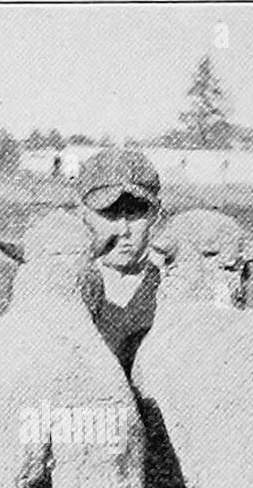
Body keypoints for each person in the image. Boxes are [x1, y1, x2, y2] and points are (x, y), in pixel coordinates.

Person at [73, 147, 163, 372]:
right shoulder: (66, 288)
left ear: (155, 214)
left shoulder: (171, 289)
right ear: (83, 214)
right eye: (109, 212)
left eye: (134, 213)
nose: (123, 229)